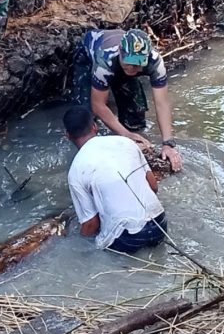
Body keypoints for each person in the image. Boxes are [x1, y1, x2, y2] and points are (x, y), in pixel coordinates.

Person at [71, 28, 183, 172]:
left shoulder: (154, 62)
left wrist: (168, 143)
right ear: (120, 52)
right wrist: (126, 134)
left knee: (135, 116)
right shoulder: (105, 61)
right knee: (84, 116)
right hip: (88, 56)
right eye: (129, 62)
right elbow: (97, 105)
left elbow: (162, 103)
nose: (132, 67)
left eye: (137, 64)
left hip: (118, 66)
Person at [63, 106, 168, 253]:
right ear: (95, 126)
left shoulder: (76, 170)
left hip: (127, 239)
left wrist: (79, 250)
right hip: (160, 224)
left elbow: (91, 225)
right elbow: (153, 186)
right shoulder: (125, 142)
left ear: (67, 135)